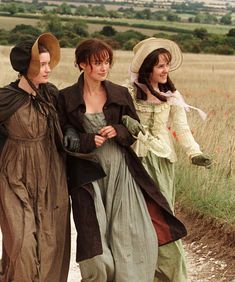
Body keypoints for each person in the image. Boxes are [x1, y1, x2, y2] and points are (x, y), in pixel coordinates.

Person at [58, 38, 187, 282]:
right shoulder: (65, 97)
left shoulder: (119, 93)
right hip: (88, 176)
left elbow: (134, 132)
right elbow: (62, 136)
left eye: (107, 62)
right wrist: (86, 140)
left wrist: (118, 130)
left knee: (130, 235)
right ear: (82, 65)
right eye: (97, 62)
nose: (104, 67)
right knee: (94, 244)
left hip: (121, 171)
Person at [122, 37, 212, 282]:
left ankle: (169, 274)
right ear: (148, 67)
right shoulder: (129, 92)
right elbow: (114, 117)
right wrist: (125, 123)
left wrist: (194, 152)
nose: (165, 70)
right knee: (136, 217)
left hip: (162, 162)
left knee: (162, 216)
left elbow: (182, 130)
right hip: (135, 159)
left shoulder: (172, 95)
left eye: (167, 65)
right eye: (161, 65)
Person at [0, 33, 71, 282]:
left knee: (50, 241)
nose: (47, 69)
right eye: (41, 64)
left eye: (48, 63)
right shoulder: (5, 98)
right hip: (14, 174)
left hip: (50, 173)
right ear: (26, 66)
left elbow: (72, 122)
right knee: (22, 242)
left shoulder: (51, 95)